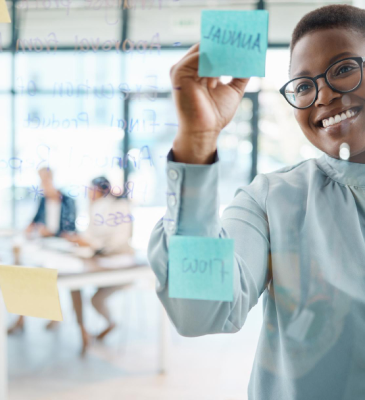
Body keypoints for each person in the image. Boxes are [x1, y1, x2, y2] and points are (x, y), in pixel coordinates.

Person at [148, 5, 365, 400]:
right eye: (302, 86)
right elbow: (199, 311)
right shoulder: (273, 200)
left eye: (344, 68)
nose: (325, 95)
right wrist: (197, 142)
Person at [65, 177, 134, 353]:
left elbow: (119, 239)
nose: (88, 194)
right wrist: (81, 241)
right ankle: (82, 330)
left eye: (91, 190)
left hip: (119, 264)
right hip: (99, 260)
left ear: (99, 190)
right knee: (74, 285)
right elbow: (89, 235)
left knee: (96, 299)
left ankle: (108, 324)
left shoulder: (120, 207)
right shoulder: (94, 207)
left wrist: (93, 245)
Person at [9, 167, 76, 334]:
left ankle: (54, 315)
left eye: (45, 180)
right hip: (44, 245)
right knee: (23, 272)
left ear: (52, 179)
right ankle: (21, 318)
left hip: (61, 247)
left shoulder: (68, 200)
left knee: (46, 275)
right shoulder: (43, 199)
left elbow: (70, 228)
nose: (42, 184)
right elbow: (35, 219)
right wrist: (31, 227)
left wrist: (52, 232)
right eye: (40, 180)